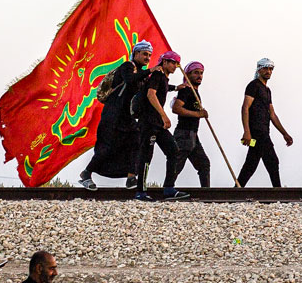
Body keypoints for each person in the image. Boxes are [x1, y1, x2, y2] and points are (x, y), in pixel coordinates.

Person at [79, 40, 155, 191]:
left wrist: (174, 88)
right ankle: (86, 174)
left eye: (150, 55)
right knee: (107, 148)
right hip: (113, 115)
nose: (147, 58)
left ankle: (131, 177)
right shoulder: (127, 66)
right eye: (145, 54)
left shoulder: (141, 74)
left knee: (135, 142)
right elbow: (129, 79)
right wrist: (150, 70)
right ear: (136, 53)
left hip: (127, 117)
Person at [133, 50, 189, 201]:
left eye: (177, 63)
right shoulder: (157, 74)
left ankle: (169, 188)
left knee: (173, 150)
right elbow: (151, 94)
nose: (175, 66)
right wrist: (164, 116)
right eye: (173, 63)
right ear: (164, 62)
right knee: (146, 156)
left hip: (157, 124)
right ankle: (141, 192)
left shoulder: (162, 78)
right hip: (149, 122)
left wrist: (176, 88)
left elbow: (163, 87)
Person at [237, 58, 293, 187]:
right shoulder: (254, 85)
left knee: (251, 163)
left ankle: (237, 190)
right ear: (259, 69)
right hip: (257, 132)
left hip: (263, 130)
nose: (268, 71)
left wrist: (284, 133)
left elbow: (272, 114)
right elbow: (245, 107)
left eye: (270, 69)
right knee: (272, 160)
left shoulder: (267, 91)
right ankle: (277, 191)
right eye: (266, 68)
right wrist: (247, 132)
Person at [164, 61, 211, 188]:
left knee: (204, 164)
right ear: (188, 74)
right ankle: (167, 189)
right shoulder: (186, 90)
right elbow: (177, 108)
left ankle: (206, 194)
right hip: (184, 134)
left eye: (201, 73)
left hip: (193, 135)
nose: (199, 76)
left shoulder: (195, 92)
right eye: (196, 73)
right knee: (177, 164)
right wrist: (198, 114)